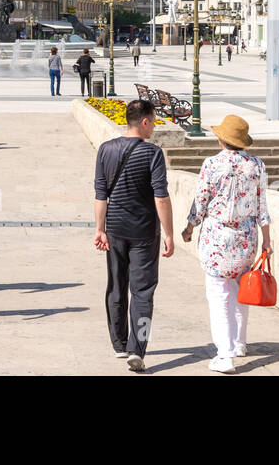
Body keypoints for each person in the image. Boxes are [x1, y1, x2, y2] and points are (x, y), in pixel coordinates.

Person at [182, 114, 272, 373]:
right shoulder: (257, 165)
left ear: (222, 139)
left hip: (216, 239)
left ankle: (224, 356)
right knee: (241, 289)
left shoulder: (211, 164)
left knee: (219, 294)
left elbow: (200, 203)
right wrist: (267, 240)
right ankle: (239, 343)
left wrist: (189, 228)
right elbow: (261, 207)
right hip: (246, 239)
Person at [93, 98, 173, 373]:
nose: (153, 129)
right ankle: (136, 349)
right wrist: (170, 234)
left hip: (114, 229)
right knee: (143, 292)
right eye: (153, 122)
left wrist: (100, 229)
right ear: (145, 122)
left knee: (116, 285)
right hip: (144, 232)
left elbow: (100, 194)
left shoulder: (106, 149)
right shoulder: (152, 154)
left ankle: (118, 343)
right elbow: (161, 197)